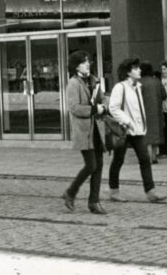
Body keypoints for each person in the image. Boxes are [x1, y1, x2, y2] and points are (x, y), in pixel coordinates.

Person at [107, 57, 167, 204]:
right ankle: (113, 190)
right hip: (124, 130)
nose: (139, 70)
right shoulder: (120, 87)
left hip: (137, 130)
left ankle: (151, 192)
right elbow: (113, 108)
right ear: (128, 72)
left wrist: (141, 126)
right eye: (135, 68)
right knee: (118, 160)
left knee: (145, 159)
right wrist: (127, 121)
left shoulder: (137, 87)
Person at [63, 50, 108, 215]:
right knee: (91, 165)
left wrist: (104, 106)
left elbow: (103, 97)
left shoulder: (94, 79)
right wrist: (95, 109)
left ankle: (94, 202)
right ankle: (71, 192)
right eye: (83, 62)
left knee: (99, 165)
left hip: (97, 130)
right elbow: (74, 108)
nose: (87, 64)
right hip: (84, 131)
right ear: (76, 66)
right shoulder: (73, 84)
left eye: (87, 61)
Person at [139, 61, 165, 165]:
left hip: (144, 111)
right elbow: (164, 95)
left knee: (146, 136)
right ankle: (154, 157)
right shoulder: (157, 81)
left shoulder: (139, 82)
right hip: (157, 111)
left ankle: (148, 157)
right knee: (155, 135)